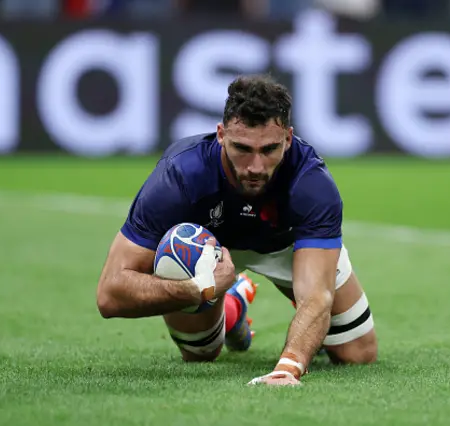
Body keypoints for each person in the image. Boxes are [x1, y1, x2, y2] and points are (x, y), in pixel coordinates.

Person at [96, 74, 377, 386]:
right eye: (242, 148)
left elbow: (317, 294)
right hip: (205, 254)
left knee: (357, 353)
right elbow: (110, 294)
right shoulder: (179, 177)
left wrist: (289, 367)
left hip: (287, 247)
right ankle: (231, 307)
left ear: (288, 138)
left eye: (269, 149)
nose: (255, 166)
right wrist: (199, 289)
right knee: (201, 354)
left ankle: (235, 301)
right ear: (220, 135)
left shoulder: (311, 183)